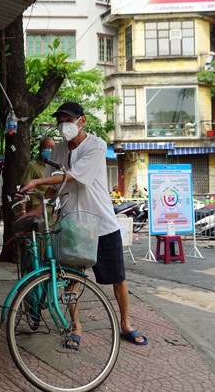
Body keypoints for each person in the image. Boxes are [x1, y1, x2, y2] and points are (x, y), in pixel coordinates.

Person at [21, 101, 147, 347]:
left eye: (68, 119)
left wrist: (37, 183)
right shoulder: (57, 150)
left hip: (101, 224)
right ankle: (75, 327)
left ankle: (125, 324)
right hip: (72, 226)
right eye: (60, 121)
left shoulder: (96, 145)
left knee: (118, 278)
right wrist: (37, 208)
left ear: (82, 121)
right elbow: (54, 187)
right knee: (71, 279)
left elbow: (74, 177)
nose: (63, 125)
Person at [20, 137, 56, 215]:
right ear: (40, 149)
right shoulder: (33, 166)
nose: (50, 150)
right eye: (47, 147)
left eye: (52, 148)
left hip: (49, 207)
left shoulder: (53, 167)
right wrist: (23, 211)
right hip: (35, 207)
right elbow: (24, 189)